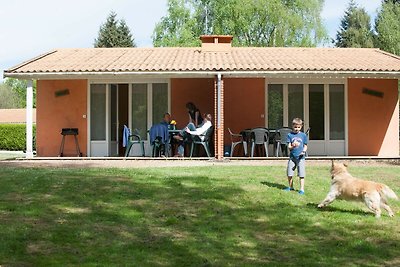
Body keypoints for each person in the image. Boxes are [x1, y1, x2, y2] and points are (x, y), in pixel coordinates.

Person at [284, 118, 308, 195]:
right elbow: (289, 146)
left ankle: (302, 189)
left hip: (301, 158)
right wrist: (293, 146)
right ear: (292, 126)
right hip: (292, 157)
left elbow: (305, 146)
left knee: (301, 174)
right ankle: (291, 187)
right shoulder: (289, 135)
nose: (297, 129)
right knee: (289, 173)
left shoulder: (303, 135)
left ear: (301, 127)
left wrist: (303, 151)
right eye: (295, 127)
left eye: (298, 127)